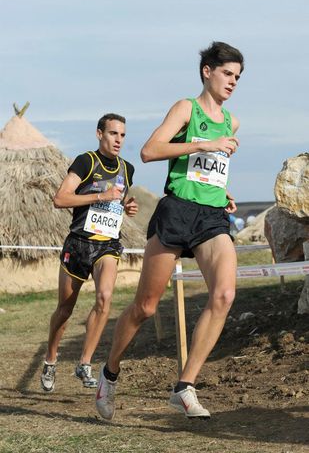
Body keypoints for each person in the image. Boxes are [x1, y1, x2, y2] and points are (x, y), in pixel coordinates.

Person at [96, 41, 244, 420]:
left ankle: (184, 386)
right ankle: (109, 372)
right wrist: (205, 142)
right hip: (177, 211)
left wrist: (221, 191)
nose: (233, 82)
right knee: (145, 307)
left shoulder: (233, 122)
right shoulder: (186, 108)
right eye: (227, 73)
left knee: (224, 294)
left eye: (238, 77)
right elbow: (149, 151)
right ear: (207, 71)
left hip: (211, 216)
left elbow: (205, 169)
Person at [40, 113, 138, 392]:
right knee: (65, 310)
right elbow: (60, 199)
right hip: (79, 243)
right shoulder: (86, 162)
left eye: (122, 135)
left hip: (108, 243)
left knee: (105, 298)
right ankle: (50, 360)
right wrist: (98, 196)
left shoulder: (128, 169)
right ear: (99, 134)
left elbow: (120, 201)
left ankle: (84, 363)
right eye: (113, 134)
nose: (118, 139)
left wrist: (128, 207)